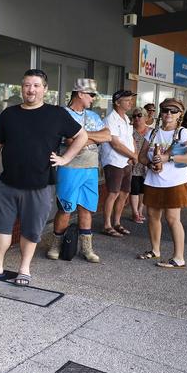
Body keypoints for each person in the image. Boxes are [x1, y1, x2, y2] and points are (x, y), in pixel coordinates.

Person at [0, 69, 87, 285]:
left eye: (35, 85)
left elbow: (82, 135)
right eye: (26, 85)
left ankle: (24, 269)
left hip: (39, 185)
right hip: (6, 184)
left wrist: (65, 159)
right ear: (22, 87)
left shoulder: (56, 114)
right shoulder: (9, 114)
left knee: (31, 230)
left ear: (44, 89)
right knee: (2, 227)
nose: (30, 89)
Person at [46, 79, 110, 263]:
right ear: (80, 94)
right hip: (70, 168)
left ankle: (87, 248)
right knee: (65, 208)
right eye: (91, 95)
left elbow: (107, 136)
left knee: (87, 209)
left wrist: (83, 137)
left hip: (90, 168)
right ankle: (55, 244)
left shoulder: (93, 115)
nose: (93, 99)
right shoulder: (63, 114)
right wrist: (91, 138)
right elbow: (69, 142)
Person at [137, 98, 187, 268]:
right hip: (154, 181)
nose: (169, 114)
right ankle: (155, 250)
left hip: (175, 182)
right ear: (161, 113)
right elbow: (141, 156)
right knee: (153, 216)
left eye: (173, 111)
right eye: (166, 110)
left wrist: (168, 157)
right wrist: (151, 165)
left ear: (179, 115)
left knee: (172, 219)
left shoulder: (183, 133)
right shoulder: (152, 133)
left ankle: (179, 258)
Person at [100, 90, 137, 237]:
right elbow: (115, 144)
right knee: (113, 193)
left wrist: (133, 155)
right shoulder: (110, 119)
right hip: (114, 161)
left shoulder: (126, 119)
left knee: (124, 193)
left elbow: (130, 139)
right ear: (117, 102)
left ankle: (117, 222)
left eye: (130, 100)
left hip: (126, 161)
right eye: (127, 100)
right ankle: (107, 225)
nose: (130, 102)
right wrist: (133, 155)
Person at [130, 107, 151, 224]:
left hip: (147, 165)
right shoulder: (129, 130)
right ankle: (135, 213)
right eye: (134, 116)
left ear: (145, 117)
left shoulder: (151, 131)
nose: (136, 118)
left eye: (139, 115)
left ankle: (140, 210)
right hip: (134, 164)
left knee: (143, 190)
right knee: (134, 189)